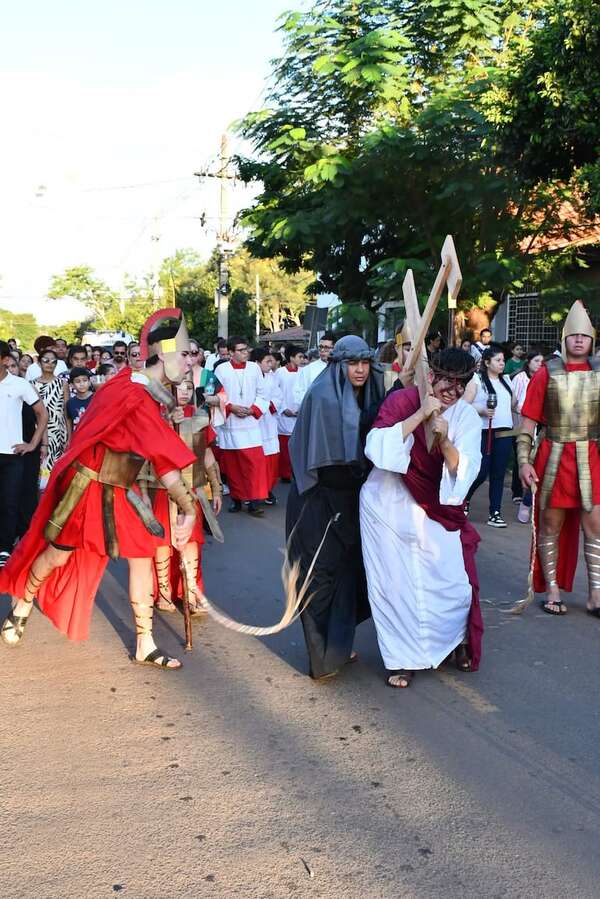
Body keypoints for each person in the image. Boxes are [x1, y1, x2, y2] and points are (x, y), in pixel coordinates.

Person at [0, 309, 199, 670]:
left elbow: (159, 454)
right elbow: (166, 463)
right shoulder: (133, 392)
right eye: (185, 355)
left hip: (124, 487)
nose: (191, 362)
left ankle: (145, 643)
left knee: (143, 554)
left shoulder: (146, 391)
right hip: (89, 486)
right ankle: (23, 604)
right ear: (165, 354)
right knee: (57, 553)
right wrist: (188, 508)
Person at [360, 348, 483, 688]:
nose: (454, 391)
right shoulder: (402, 401)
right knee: (395, 586)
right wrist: (418, 416)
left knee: (452, 582)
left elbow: (464, 470)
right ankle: (403, 659)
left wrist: (443, 439)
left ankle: (452, 641)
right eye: (449, 381)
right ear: (431, 377)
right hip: (388, 504)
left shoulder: (466, 417)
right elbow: (376, 447)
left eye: (462, 384)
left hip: (437, 506)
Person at [286, 335, 385, 680]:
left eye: (364, 362)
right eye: (352, 364)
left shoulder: (369, 389)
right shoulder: (324, 396)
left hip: (353, 497)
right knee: (321, 576)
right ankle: (322, 656)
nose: (359, 370)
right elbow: (338, 454)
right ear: (338, 365)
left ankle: (339, 646)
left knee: (352, 572)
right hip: (320, 499)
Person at [518, 301, 600, 616]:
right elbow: (527, 424)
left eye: (585, 335)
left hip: (591, 456)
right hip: (553, 457)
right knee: (550, 525)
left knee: (595, 526)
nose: (579, 340)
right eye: (573, 335)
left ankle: (595, 593)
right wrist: (524, 461)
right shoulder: (546, 374)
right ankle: (551, 586)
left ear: (592, 338)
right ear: (565, 337)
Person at [142, 376, 222, 614]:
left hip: (192, 487)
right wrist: (144, 492)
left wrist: (216, 488)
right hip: (161, 488)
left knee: (192, 541)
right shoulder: (155, 421)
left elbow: (207, 456)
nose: (184, 392)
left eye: (189, 388)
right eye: (179, 388)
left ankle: (190, 591)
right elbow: (144, 460)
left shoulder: (200, 418)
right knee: (162, 542)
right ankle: (164, 592)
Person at [0, 342, 48, 567]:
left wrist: (32, 444)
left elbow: (42, 414)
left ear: (3, 360)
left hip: (12, 455)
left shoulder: (18, 384)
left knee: (9, 502)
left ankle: (5, 548)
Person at [214, 336, 269, 516]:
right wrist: (231, 407)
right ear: (230, 352)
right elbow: (217, 395)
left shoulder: (254, 368)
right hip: (230, 424)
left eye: (247, 349)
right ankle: (237, 500)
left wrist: (253, 410)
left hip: (251, 425)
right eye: (241, 350)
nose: (246, 353)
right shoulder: (221, 370)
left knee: (254, 465)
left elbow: (263, 393)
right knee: (233, 466)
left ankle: (254, 502)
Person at [464, 344, 515, 527]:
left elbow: (514, 405)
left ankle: (495, 512)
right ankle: (465, 498)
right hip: (485, 431)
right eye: (498, 360)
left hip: (505, 432)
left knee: (498, 473)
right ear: (487, 362)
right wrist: (482, 410)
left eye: (503, 360)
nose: (502, 364)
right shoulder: (476, 380)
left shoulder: (507, 381)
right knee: (481, 471)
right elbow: (464, 404)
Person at [510, 350, 545, 522]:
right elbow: (514, 402)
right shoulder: (520, 378)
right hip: (526, 427)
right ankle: (525, 500)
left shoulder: (547, 378)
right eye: (536, 360)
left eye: (542, 361)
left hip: (546, 430)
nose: (540, 364)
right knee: (530, 465)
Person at [250, 347, 281, 505]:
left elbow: (277, 396)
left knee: (271, 459)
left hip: (268, 420)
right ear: (256, 363)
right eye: (267, 361)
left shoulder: (272, 377)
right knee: (255, 461)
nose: (271, 364)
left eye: (271, 361)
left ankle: (267, 489)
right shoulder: (249, 376)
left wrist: (268, 405)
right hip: (252, 421)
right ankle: (253, 493)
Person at [32, 348, 69, 476]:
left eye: (53, 362)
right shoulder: (31, 384)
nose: (49, 364)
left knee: (56, 472)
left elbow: (66, 412)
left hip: (58, 432)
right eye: (46, 360)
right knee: (39, 472)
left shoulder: (62, 383)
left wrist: (69, 437)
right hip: (38, 432)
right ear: (39, 363)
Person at [274, 344, 305, 481]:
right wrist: (284, 409)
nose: (302, 359)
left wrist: (301, 408)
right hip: (284, 414)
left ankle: (295, 471)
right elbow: (276, 392)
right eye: (299, 357)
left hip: (299, 413)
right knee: (284, 447)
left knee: (297, 445)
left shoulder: (303, 372)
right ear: (291, 357)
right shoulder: (280, 373)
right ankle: (285, 473)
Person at [293, 332, 336, 408]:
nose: (322, 350)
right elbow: (298, 393)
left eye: (326, 347)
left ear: (334, 348)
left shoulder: (340, 367)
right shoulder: (308, 370)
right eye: (320, 347)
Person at [66, 367, 94, 440]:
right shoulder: (70, 403)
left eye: (85, 380)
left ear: (90, 382)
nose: (82, 384)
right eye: (78, 381)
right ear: (72, 385)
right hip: (78, 439)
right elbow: (70, 422)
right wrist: (69, 439)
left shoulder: (97, 398)